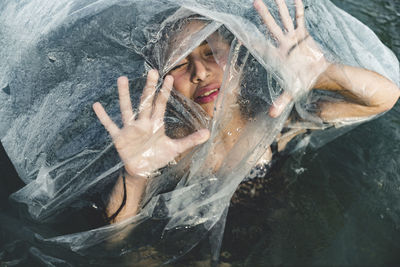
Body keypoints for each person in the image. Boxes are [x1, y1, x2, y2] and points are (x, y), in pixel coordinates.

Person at [92, 0, 400, 223]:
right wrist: (133, 176)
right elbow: (114, 240)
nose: (200, 71)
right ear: (163, 84)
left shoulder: (277, 125)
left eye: (211, 52)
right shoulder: (161, 151)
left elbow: (383, 99)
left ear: (238, 59)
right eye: (180, 63)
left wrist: (325, 74)